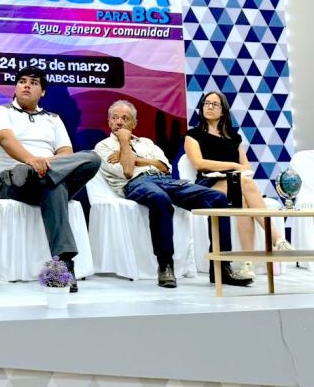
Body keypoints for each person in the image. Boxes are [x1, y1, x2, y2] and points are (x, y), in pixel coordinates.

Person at [95, 100, 251, 288]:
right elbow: (127, 171)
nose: (119, 122)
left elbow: (164, 167)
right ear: (109, 121)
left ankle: (221, 267)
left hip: (166, 180)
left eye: (125, 118)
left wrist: (136, 159)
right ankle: (165, 265)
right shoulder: (103, 147)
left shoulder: (146, 142)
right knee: (160, 199)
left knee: (217, 198)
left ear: (134, 123)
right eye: (115, 118)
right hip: (136, 183)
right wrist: (124, 142)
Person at [0, 68, 100, 292]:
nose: (26, 85)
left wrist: (44, 164)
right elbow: (6, 140)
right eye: (22, 81)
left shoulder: (53, 119)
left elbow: (66, 152)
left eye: (34, 82)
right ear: (16, 87)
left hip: (44, 176)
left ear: (43, 91)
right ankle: (64, 266)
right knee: (54, 183)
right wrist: (31, 160)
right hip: (13, 182)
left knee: (91, 159)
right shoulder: (0, 112)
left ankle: (62, 265)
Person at [184, 91, 293, 280]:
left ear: (223, 111)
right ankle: (277, 239)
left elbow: (247, 167)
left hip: (234, 184)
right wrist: (233, 166)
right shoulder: (193, 135)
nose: (209, 107)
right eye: (206, 103)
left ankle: (247, 263)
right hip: (209, 185)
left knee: (242, 200)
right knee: (244, 181)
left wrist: (237, 169)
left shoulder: (234, 138)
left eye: (215, 104)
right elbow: (199, 163)